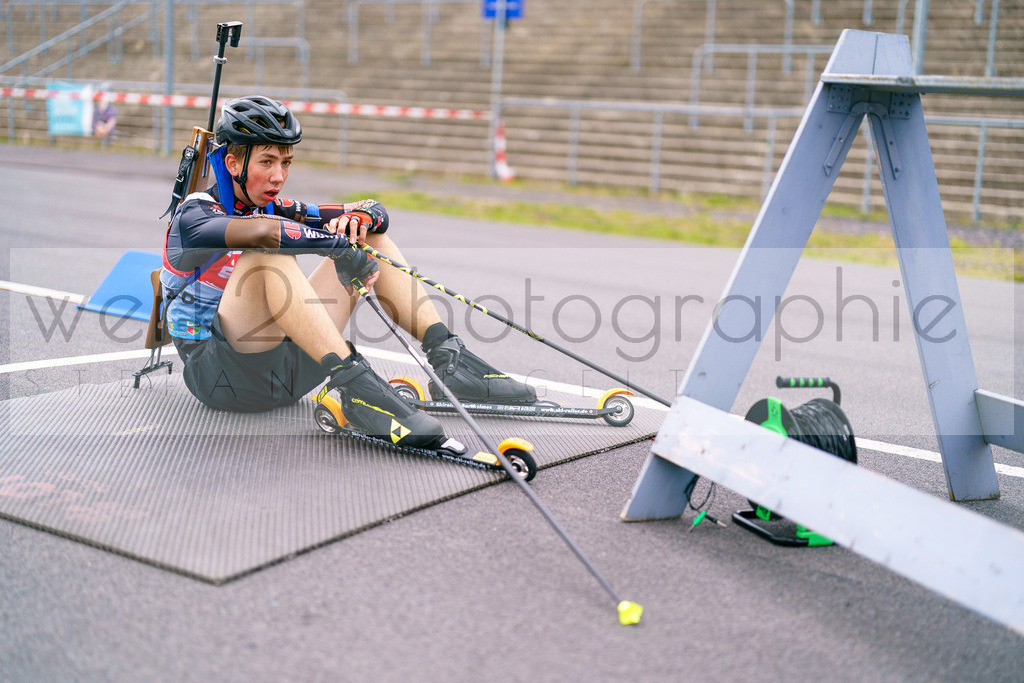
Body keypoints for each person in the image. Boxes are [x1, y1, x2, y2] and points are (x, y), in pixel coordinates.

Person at [162, 95, 536, 448]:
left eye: (286, 163)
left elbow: (375, 210)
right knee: (267, 257)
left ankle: (449, 360)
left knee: (366, 237)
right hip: (222, 378)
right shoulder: (195, 214)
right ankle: (359, 388)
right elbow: (262, 233)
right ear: (233, 164)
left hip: (288, 372)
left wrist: (358, 221)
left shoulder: (275, 207)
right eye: (267, 162)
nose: (278, 176)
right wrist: (335, 246)